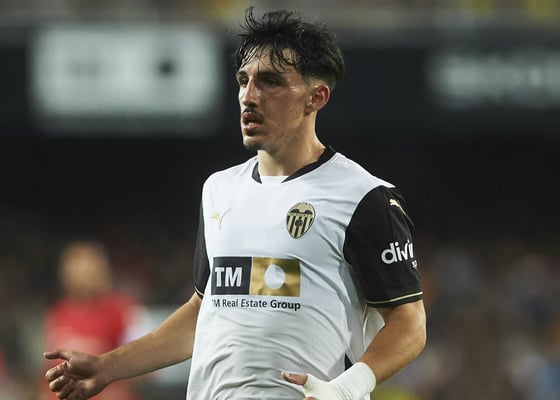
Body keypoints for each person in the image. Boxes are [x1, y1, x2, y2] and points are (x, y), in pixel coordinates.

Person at [44, 8, 426, 400]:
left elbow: (409, 322)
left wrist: (346, 389)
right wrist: (107, 366)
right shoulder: (219, 189)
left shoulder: (363, 196)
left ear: (316, 97)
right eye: (244, 81)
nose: (249, 96)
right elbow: (202, 311)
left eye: (270, 82)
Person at [40, 240, 146, 400]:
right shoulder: (57, 313)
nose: (82, 276)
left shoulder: (122, 310)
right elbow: (48, 368)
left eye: (88, 269)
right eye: (74, 269)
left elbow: (143, 364)